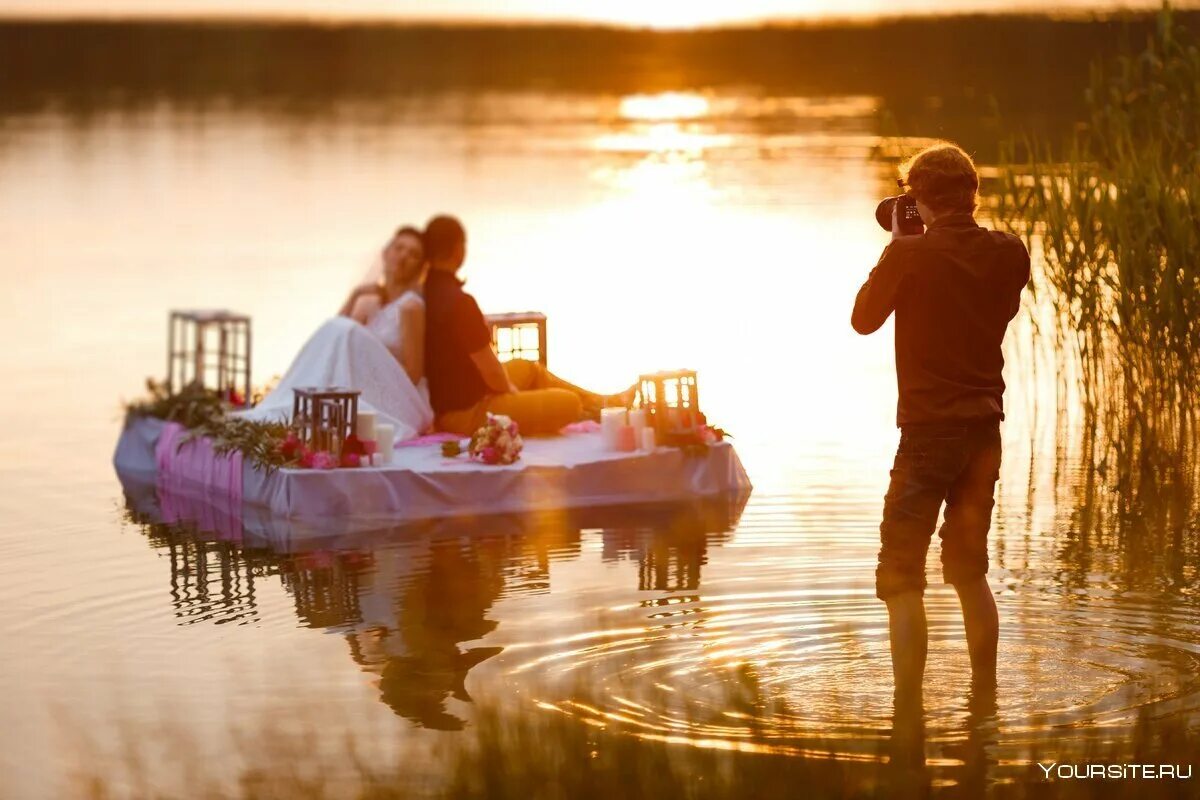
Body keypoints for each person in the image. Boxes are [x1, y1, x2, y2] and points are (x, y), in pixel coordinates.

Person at [851, 142, 1030, 695]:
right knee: (969, 572)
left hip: (929, 432)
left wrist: (900, 247)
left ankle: (908, 712)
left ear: (919, 198)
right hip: (984, 432)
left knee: (902, 578)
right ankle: (984, 699)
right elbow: (998, 307)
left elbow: (862, 320)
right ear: (972, 193)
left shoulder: (910, 255)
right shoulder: (1009, 251)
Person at [421, 214, 627, 436]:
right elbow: (492, 374)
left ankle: (604, 402)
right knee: (569, 403)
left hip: (462, 396)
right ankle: (599, 410)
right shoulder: (460, 302)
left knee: (529, 368)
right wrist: (509, 392)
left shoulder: (422, 294)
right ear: (458, 250)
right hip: (469, 412)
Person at [240, 226, 434, 440]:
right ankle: (290, 400)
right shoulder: (374, 302)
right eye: (399, 248)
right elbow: (333, 341)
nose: (404, 256)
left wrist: (373, 372)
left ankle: (298, 401)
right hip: (365, 387)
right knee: (339, 328)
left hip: (400, 398)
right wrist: (355, 295)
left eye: (414, 254)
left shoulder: (410, 307)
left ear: (419, 268)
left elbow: (414, 373)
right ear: (385, 252)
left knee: (347, 329)